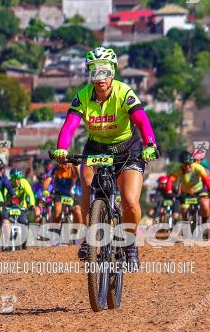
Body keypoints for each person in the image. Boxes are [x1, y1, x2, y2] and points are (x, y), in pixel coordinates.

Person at [53, 46, 159, 268]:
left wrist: (150, 144)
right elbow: (70, 125)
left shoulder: (124, 92)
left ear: (113, 72)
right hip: (96, 148)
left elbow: (142, 121)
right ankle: (88, 237)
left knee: (130, 200)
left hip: (127, 150)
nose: (100, 78)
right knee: (88, 187)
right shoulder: (82, 96)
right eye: (95, 72)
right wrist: (62, 148)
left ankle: (130, 244)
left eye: (106, 72)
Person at [172, 150, 210, 224]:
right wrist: (177, 193)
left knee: (206, 204)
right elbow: (180, 183)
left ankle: (209, 219)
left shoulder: (205, 168)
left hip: (202, 189)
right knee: (184, 211)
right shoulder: (182, 170)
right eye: (195, 160)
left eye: (198, 160)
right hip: (188, 191)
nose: (196, 161)